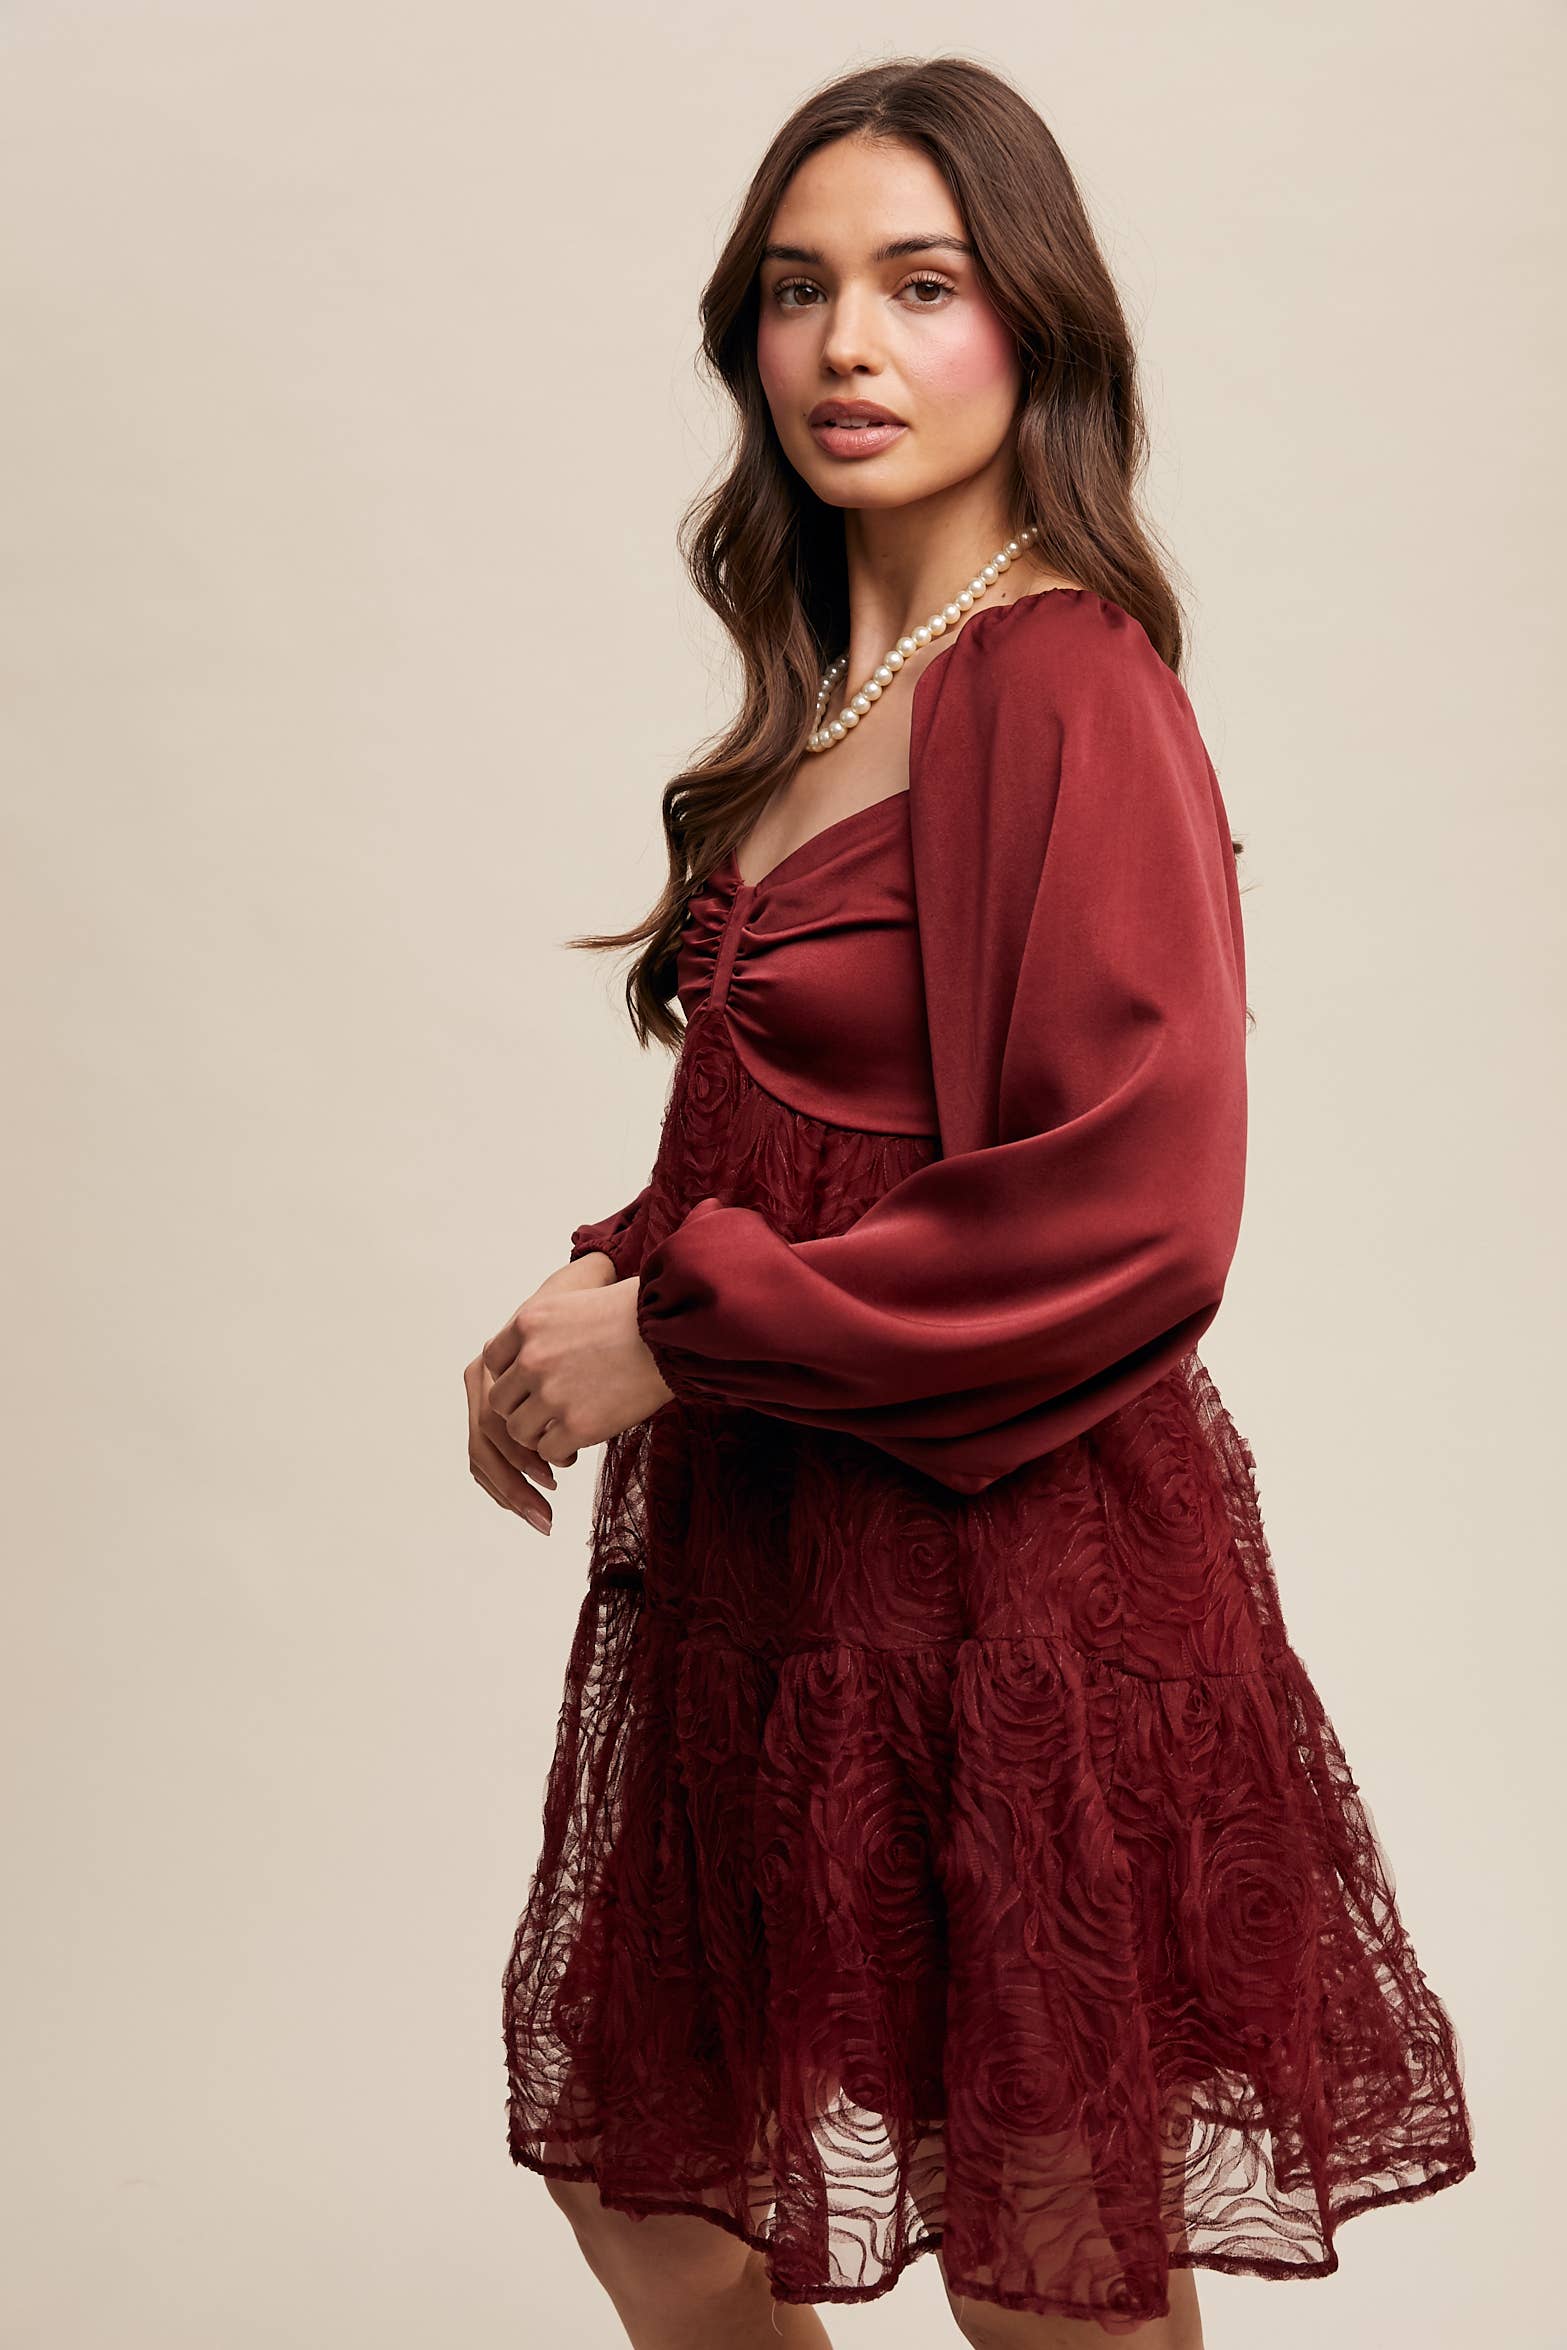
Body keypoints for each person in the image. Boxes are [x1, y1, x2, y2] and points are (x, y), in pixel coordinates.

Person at [465, 56, 1476, 2349]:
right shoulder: (845, 684)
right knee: (667, 2198)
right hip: (779, 1571)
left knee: (1048, 2266)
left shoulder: (1060, 678)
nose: (848, 348)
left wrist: (686, 1331)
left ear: (1031, 331)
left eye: (919, 287)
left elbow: (1135, 1202)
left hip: (993, 1574)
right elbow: (831, 1125)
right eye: (798, 292)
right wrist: (603, 1288)